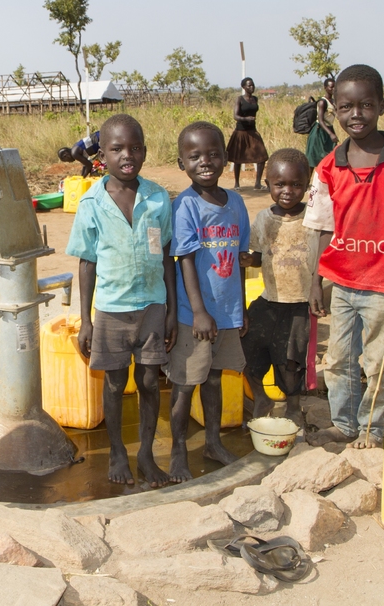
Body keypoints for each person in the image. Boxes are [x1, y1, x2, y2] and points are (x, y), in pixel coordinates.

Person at [303, 64, 384, 449]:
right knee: (339, 360)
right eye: (346, 107)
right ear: (335, 109)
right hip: (342, 283)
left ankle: (373, 430)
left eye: (366, 105)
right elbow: (321, 228)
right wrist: (315, 283)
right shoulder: (328, 167)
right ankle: (344, 424)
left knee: (377, 363)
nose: (356, 115)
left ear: (382, 106)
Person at [66, 113, 177, 487]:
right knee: (114, 384)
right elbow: (86, 263)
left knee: (149, 380)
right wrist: (86, 319)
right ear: (103, 156)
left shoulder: (159, 198)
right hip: (111, 310)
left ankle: (145, 453)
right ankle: (117, 451)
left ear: (144, 151)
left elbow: (166, 257)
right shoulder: (92, 203)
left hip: (152, 307)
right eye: (117, 149)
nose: (127, 155)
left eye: (135, 148)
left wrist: (172, 312)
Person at [166, 121, 251, 482]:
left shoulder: (236, 203)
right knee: (185, 385)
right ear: (182, 162)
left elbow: (241, 258)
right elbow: (184, 259)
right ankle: (178, 452)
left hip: (227, 312)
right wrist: (199, 311)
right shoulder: (185, 206)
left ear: (226, 158)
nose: (205, 162)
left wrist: (241, 306)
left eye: (214, 154)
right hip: (195, 316)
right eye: (195, 156)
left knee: (215, 380)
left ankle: (214, 443)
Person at [242, 148, 320, 427]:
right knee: (249, 348)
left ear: (307, 184)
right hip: (269, 299)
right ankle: (261, 396)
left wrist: (319, 292)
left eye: (296, 185)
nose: (288, 191)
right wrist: (249, 259)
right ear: (268, 184)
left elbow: (322, 260)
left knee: (291, 361)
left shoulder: (314, 219)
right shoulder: (264, 218)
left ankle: (294, 406)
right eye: (280, 184)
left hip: (300, 303)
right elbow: (260, 256)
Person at [226, 78, 269, 190]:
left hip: (252, 131)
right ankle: (236, 184)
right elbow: (235, 116)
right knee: (238, 159)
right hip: (241, 131)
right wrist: (246, 119)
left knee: (262, 156)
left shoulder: (255, 99)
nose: (252, 87)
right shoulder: (239, 99)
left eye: (253, 85)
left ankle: (257, 183)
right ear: (244, 87)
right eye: (249, 85)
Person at [306, 77, 339, 168]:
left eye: (334, 87)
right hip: (319, 131)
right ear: (325, 88)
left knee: (329, 157)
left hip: (328, 129)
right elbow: (320, 121)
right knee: (313, 160)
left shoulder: (333, 102)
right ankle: (306, 181)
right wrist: (331, 134)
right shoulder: (322, 102)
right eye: (331, 87)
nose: (333, 89)